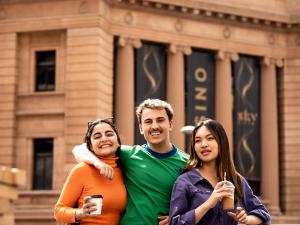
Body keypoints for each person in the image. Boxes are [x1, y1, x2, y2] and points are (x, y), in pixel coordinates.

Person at [72, 99, 189, 225]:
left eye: (160, 120)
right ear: (141, 128)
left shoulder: (187, 162)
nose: (154, 126)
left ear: (170, 124)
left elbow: (199, 199)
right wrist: (98, 163)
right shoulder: (128, 154)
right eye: (148, 121)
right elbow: (79, 149)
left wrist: (179, 218)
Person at [169, 118, 271, 225]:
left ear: (221, 142)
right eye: (198, 140)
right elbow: (175, 222)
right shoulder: (185, 181)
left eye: (210, 138)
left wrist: (246, 219)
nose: (204, 144)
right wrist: (208, 204)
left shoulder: (236, 179)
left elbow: (263, 214)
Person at [54, 118, 127, 225]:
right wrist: (81, 213)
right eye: (97, 136)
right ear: (91, 146)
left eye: (109, 134)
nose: (104, 139)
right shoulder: (82, 170)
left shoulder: (125, 170)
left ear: (118, 140)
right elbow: (58, 212)